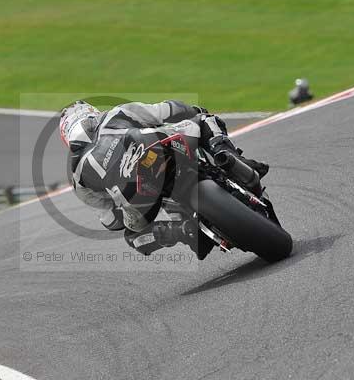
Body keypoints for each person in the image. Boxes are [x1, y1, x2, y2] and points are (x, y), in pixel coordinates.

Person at [59, 100, 269, 260]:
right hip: (162, 148)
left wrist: (123, 197)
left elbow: (111, 221)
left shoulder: (77, 177)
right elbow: (170, 109)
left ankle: (182, 231)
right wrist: (193, 110)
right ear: (91, 113)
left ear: (66, 136)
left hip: (141, 199)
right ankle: (228, 157)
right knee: (205, 119)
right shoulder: (118, 113)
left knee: (133, 237)